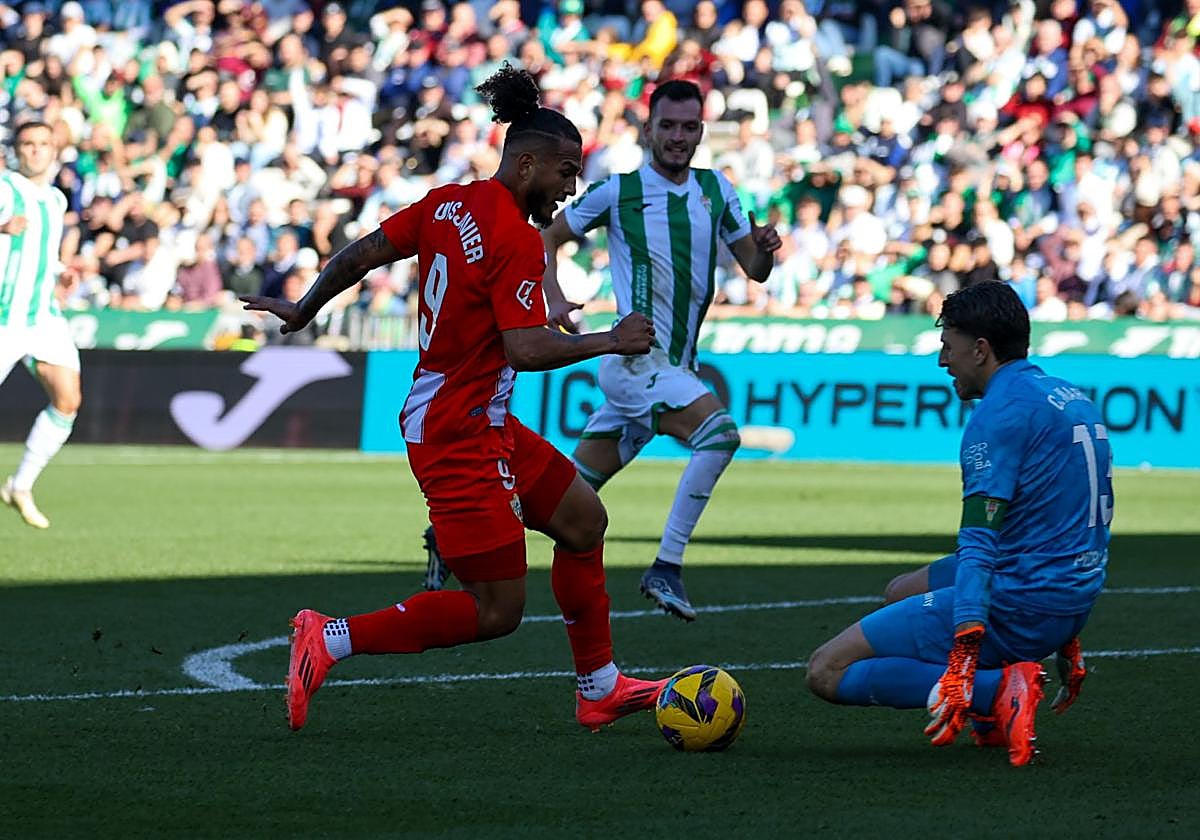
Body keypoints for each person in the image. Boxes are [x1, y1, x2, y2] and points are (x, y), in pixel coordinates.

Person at [241, 63, 666, 733]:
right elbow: (525, 350)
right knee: (497, 611)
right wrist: (611, 340)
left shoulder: (446, 204)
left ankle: (600, 687)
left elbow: (362, 254)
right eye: (565, 171)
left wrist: (304, 307)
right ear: (526, 165)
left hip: (474, 416)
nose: (570, 187)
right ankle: (331, 636)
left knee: (583, 522)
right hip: (458, 431)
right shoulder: (517, 238)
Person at [805, 281, 1110, 767]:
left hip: (1022, 599)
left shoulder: (997, 416)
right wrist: (1067, 633)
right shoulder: (1068, 395)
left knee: (826, 669)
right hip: (1069, 593)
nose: (942, 361)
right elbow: (1076, 523)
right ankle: (998, 701)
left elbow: (979, 542)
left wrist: (965, 653)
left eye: (948, 346)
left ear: (981, 350)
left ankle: (997, 693)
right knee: (899, 590)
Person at [539, 78, 781, 621]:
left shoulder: (717, 189)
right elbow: (546, 237)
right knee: (720, 436)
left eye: (688, 127)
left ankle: (456, 534)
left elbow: (755, 270)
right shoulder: (618, 191)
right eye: (667, 126)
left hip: (675, 366)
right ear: (648, 129)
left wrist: (765, 250)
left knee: (569, 494)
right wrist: (552, 294)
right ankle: (667, 567)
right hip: (637, 363)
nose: (678, 136)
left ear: (701, 131)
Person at [0, 121, 81, 530]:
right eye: (28, 144)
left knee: (68, 399)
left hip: (42, 316)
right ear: (16, 150)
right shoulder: (4, 189)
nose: (35, 151)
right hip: (3, 317)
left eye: (43, 144)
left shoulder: (54, 200)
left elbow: (42, 253)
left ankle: (20, 484)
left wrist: (61, 273)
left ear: (54, 151)